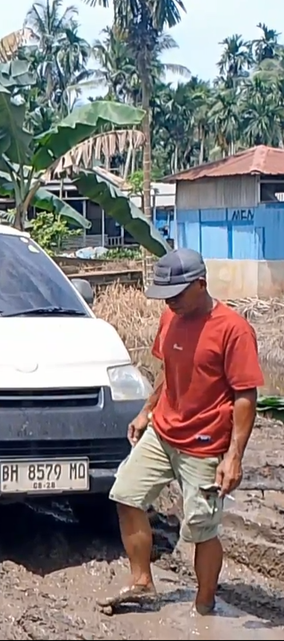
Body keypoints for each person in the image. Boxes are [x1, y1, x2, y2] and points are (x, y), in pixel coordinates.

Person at [102, 248, 263, 615]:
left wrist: (234, 457)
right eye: (164, 295)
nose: (169, 301)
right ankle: (141, 580)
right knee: (126, 494)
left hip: (204, 444)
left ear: (201, 285)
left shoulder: (233, 330)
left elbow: (245, 396)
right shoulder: (170, 318)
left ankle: (204, 607)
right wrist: (146, 411)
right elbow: (168, 372)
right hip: (162, 432)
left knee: (201, 528)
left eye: (175, 294)